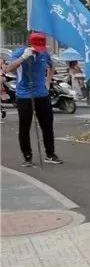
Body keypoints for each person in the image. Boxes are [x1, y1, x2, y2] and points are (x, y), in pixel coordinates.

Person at [5, 32, 63, 166]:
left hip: (42, 94)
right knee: (24, 127)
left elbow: (51, 66)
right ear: (30, 44)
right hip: (25, 95)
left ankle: (50, 154)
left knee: (47, 126)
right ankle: (27, 156)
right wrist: (24, 58)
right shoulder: (19, 52)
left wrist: (48, 82)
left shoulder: (44, 53)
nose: (39, 51)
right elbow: (9, 68)